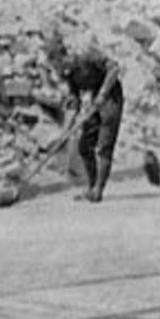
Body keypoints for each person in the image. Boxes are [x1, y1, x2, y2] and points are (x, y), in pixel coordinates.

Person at [48, 30, 124, 204]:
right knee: (84, 146)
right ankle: (90, 186)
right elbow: (74, 103)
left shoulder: (86, 57)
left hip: (111, 96)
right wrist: (64, 134)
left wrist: (103, 94)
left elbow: (114, 68)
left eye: (57, 64)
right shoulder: (68, 75)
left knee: (104, 146)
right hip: (95, 100)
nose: (57, 70)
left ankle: (98, 189)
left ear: (63, 57)